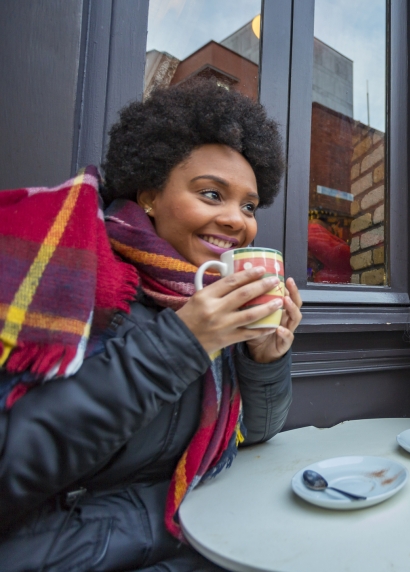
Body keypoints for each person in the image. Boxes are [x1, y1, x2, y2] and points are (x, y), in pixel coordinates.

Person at [0, 79, 301, 571]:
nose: (236, 220)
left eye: (249, 206)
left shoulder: (204, 299)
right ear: (148, 196)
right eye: (211, 194)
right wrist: (183, 343)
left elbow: (257, 434)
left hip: (195, 540)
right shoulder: (71, 283)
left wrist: (264, 361)